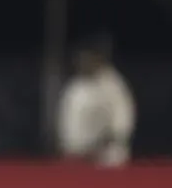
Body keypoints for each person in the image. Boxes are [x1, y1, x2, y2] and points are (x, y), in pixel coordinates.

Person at [55, 34, 136, 167]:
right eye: (80, 58)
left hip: (106, 160)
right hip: (75, 159)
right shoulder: (74, 87)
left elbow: (123, 123)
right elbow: (64, 125)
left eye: (86, 57)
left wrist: (98, 147)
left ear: (97, 58)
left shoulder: (114, 86)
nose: (82, 61)